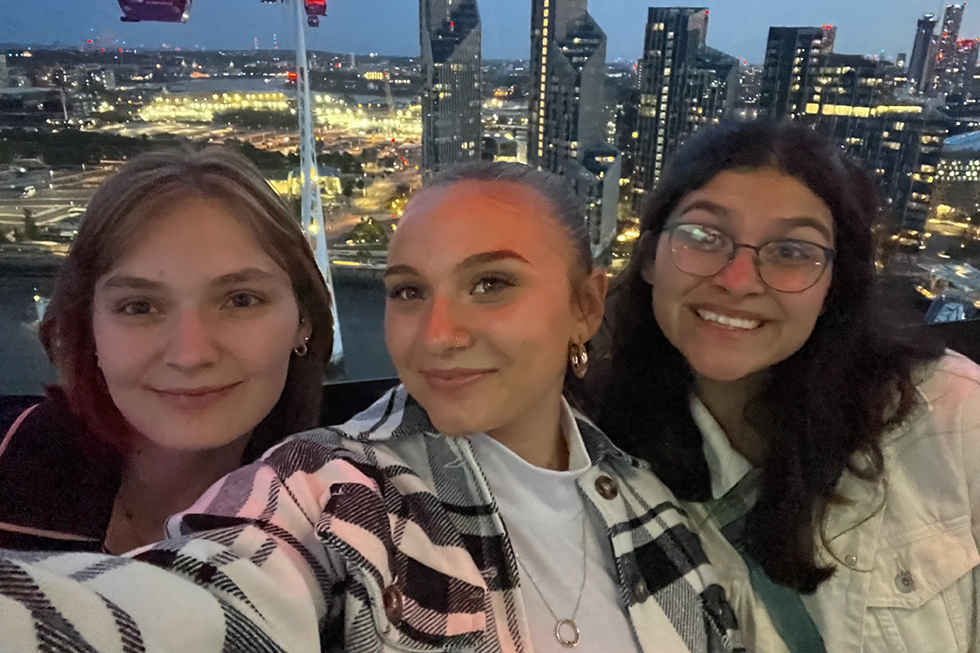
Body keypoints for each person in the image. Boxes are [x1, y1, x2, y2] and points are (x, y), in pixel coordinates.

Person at [0, 162, 741, 653]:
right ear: (83, 322)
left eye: (490, 284)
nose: (439, 334)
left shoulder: (661, 513)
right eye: (409, 290)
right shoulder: (335, 486)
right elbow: (208, 599)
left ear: (586, 305)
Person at [594, 120, 980, 652]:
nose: (737, 280)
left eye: (792, 251)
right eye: (704, 236)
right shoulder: (606, 471)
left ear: (832, 287)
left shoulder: (951, 415)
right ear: (651, 259)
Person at [0, 148, 332, 553]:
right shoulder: (12, 470)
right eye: (139, 307)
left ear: (304, 321)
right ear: (88, 328)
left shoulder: (344, 527)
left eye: (241, 300)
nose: (190, 355)